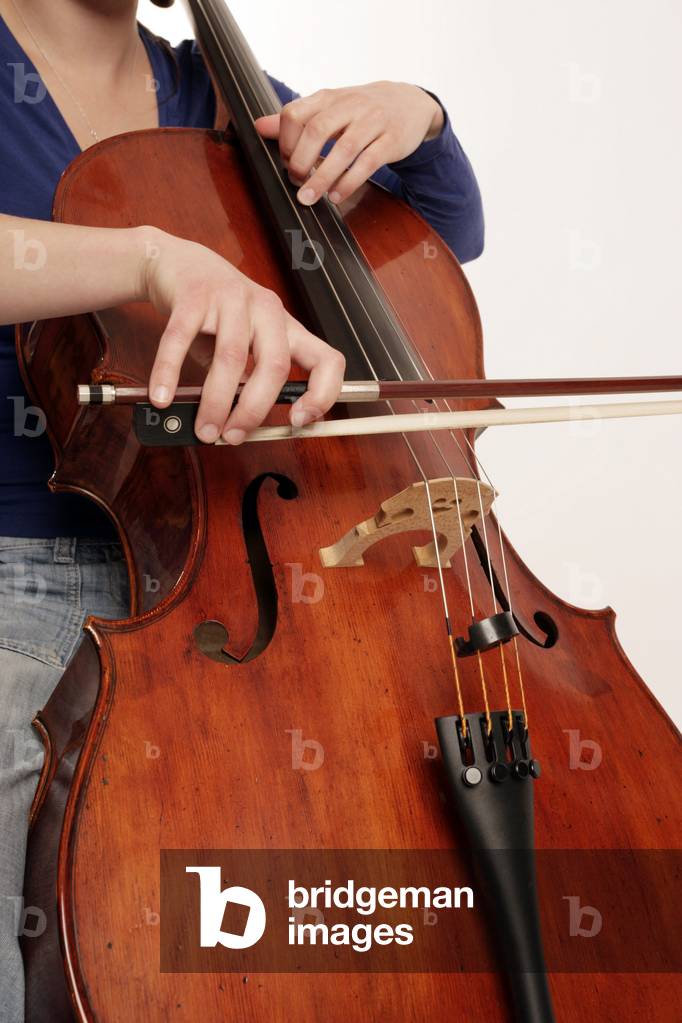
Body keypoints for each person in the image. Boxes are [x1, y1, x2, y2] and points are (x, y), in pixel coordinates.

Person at [0, 0, 483, 1018]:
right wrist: (148, 259)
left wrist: (418, 112)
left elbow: (439, 233)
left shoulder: (215, 101)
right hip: (21, 584)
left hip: (225, 600)